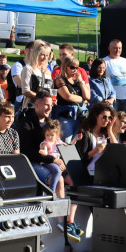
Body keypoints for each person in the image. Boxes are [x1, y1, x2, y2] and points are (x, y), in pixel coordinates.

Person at [17, 91, 82, 241]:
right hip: (33, 163)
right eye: (46, 104)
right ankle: (60, 221)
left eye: (51, 105)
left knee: (76, 180)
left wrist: (66, 159)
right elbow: (28, 151)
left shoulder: (50, 122)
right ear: (37, 104)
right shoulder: (26, 122)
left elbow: (58, 143)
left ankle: (69, 221)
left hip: (52, 161)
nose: (49, 108)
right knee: (57, 178)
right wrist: (53, 159)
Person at [53, 57, 89, 142]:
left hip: (79, 116)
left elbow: (87, 96)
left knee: (77, 142)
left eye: (77, 68)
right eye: (72, 67)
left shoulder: (76, 82)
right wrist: (81, 98)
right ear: (66, 67)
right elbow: (68, 97)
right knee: (67, 142)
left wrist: (81, 81)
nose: (75, 70)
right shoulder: (59, 79)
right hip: (66, 116)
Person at [19, 40, 54, 111]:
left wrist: (51, 100)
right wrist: (42, 99)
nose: (45, 58)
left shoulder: (47, 72)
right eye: (42, 55)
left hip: (46, 110)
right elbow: (25, 91)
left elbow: (50, 90)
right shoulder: (28, 69)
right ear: (36, 55)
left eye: (47, 55)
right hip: (31, 108)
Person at [103, 39, 126, 113]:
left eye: (119, 48)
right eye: (115, 48)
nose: (117, 50)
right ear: (109, 48)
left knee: (125, 120)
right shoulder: (104, 61)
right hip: (112, 99)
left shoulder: (125, 61)